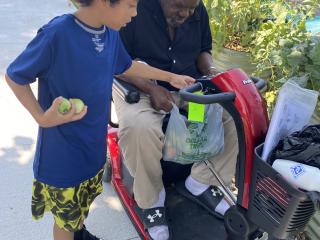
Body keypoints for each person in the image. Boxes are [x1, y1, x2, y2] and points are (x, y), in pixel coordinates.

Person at [5, 0, 195, 239]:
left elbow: (126, 66)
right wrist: (42, 118)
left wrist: (171, 76)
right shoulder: (57, 34)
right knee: (65, 221)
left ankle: (79, 232)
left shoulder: (109, 33)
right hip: (64, 157)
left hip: (93, 149)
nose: (135, 13)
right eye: (130, 5)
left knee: (82, 206)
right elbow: (15, 76)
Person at [113, 0, 239, 239]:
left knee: (231, 116)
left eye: (191, 9)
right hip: (138, 88)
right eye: (179, 7)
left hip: (188, 88)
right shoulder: (133, 8)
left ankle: (201, 182)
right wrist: (150, 88)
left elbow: (204, 51)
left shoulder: (196, 8)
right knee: (141, 127)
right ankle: (151, 201)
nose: (186, 13)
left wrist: (212, 73)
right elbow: (118, 63)